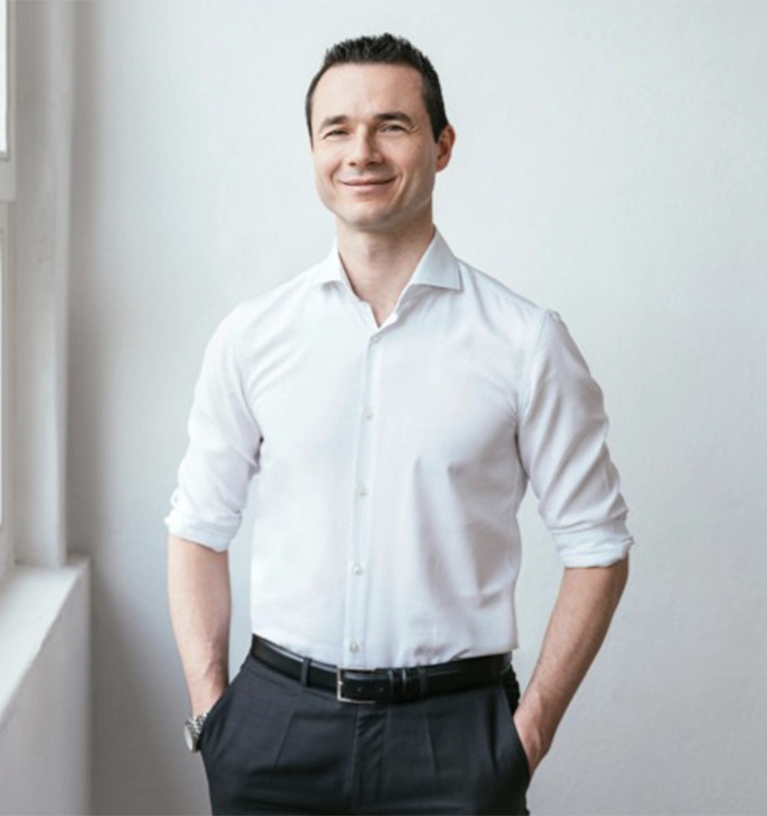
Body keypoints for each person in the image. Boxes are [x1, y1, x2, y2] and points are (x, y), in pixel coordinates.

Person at [166, 32, 633, 816]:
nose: (363, 152)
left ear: (442, 145)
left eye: (393, 125)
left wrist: (530, 734)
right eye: (337, 130)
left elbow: (598, 544)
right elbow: (197, 527)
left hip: (455, 738)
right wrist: (216, 717)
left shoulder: (524, 342)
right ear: (313, 151)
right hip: (274, 730)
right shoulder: (252, 338)